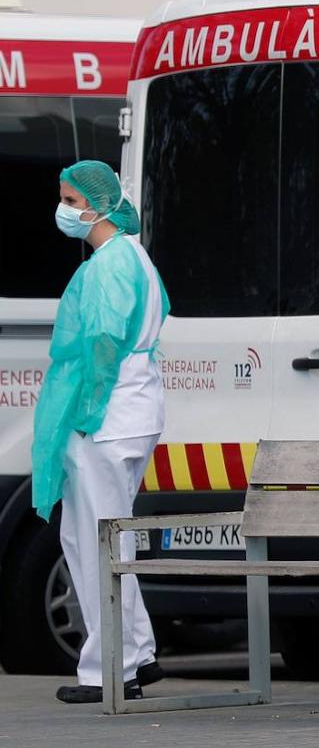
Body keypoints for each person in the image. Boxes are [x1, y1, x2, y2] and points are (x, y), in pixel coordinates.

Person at [32, 161, 170, 703]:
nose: (65, 209)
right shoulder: (134, 255)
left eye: (70, 199)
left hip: (107, 420)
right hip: (131, 415)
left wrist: (86, 414)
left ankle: (106, 670)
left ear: (97, 204)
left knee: (95, 544)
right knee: (115, 540)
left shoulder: (111, 262)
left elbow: (104, 344)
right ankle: (137, 654)